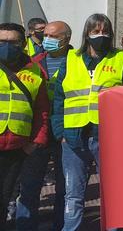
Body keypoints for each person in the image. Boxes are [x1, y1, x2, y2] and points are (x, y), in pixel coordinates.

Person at [54, 14, 123, 230]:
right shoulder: (70, 59)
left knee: (112, 193)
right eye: (95, 31)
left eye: (105, 31)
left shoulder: (120, 59)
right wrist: (60, 133)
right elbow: (58, 98)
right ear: (87, 34)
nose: (100, 35)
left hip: (109, 137)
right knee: (73, 194)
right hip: (73, 137)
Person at [16, 21, 72, 231]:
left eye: (51, 36)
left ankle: (60, 226)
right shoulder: (34, 62)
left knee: (64, 190)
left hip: (65, 134)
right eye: (44, 34)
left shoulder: (78, 63)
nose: (45, 39)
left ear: (66, 39)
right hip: (38, 134)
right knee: (29, 188)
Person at [0, 23, 49, 231]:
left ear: (23, 44)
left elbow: (42, 111)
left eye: (13, 42)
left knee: (4, 198)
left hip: (15, 148)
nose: (7, 46)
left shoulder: (36, 71)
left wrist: (35, 142)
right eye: (2, 42)